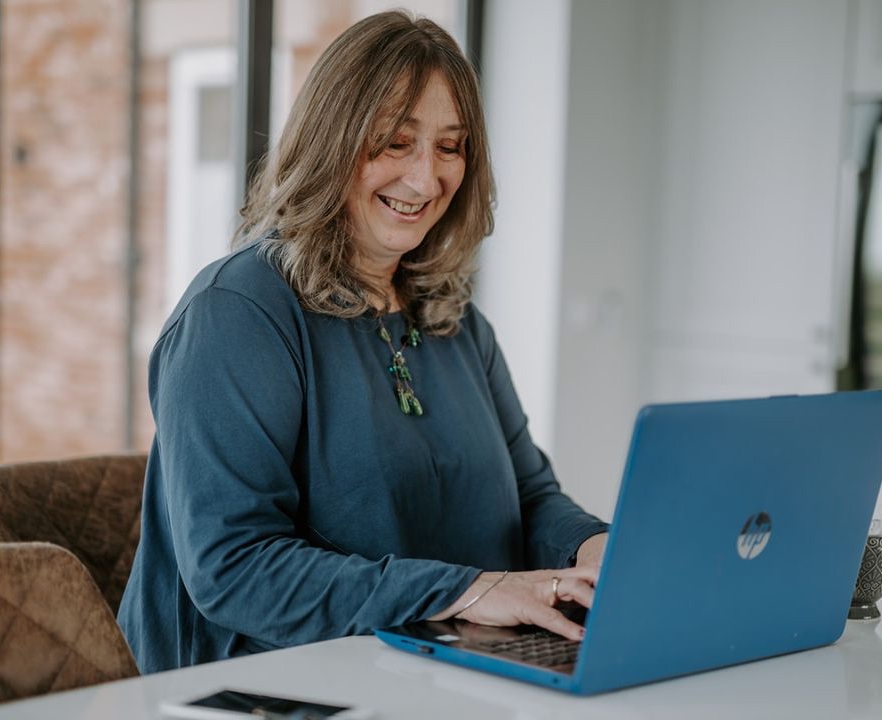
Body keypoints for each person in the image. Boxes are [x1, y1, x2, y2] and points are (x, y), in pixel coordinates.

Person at [117, 10, 609, 674]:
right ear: (330, 142)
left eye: (451, 146)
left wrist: (590, 548)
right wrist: (469, 589)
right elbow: (235, 570)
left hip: (432, 667)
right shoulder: (235, 315)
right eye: (394, 142)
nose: (425, 179)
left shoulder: (456, 322)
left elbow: (529, 497)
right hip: (257, 685)